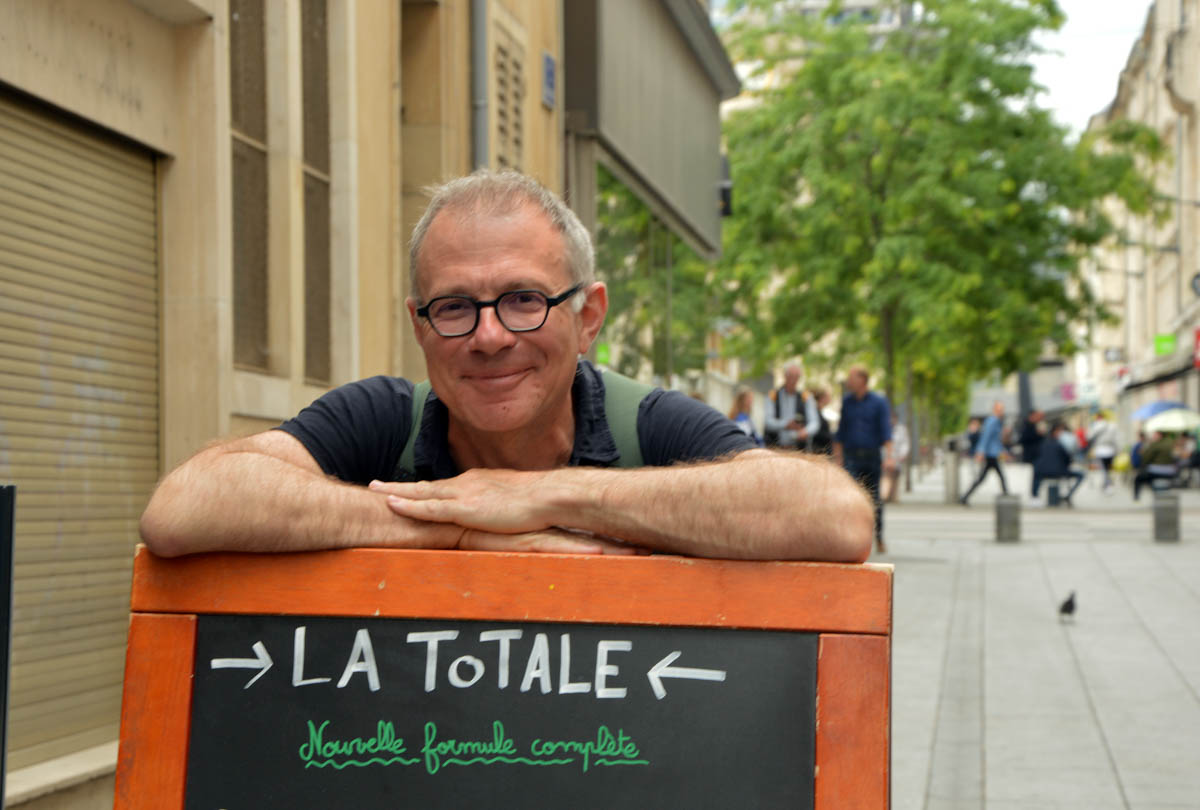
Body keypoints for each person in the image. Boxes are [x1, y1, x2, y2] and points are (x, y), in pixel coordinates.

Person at [138, 170, 873, 562]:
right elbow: (182, 510)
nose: (488, 337)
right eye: (455, 306)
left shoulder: (647, 426)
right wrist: (458, 528)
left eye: (524, 299)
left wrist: (548, 497)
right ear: (420, 326)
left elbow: (835, 518)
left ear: (588, 316)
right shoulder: (380, 421)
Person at [832, 367, 893, 554]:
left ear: (862, 380)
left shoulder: (879, 402)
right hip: (851, 457)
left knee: (875, 499)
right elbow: (841, 432)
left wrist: (889, 457)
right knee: (850, 498)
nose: (848, 381)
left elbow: (886, 432)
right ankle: (852, 538)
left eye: (852, 377)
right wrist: (838, 458)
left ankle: (879, 536)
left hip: (872, 456)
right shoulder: (847, 402)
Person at [960, 400, 1008, 505]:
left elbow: (996, 440)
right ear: (995, 410)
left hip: (993, 453)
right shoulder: (992, 421)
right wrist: (980, 451)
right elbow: (985, 437)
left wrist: (1002, 451)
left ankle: (965, 497)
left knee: (985, 477)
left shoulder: (997, 421)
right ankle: (1006, 496)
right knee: (992, 477)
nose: (1002, 411)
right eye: (1000, 409)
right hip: (990, 454)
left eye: (1002, 409)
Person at [763, 364, 819, 450]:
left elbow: (814, 423)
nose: (793, 380)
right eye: (790, 376)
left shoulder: (806, 397)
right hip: (775, 449)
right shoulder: (773, 395)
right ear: (785, 376)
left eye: (796, 377)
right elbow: (768, 422)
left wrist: (805, 432)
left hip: (799, 449)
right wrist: (786, 425)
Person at [1031, 422, 1084, 506]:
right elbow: (1067, 459)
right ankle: (1068, 495)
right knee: (1081, 475)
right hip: (1059, 471)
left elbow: (1036, 456)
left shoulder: (1043, 443)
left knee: (1036, 474)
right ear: (1055, 432)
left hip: (1042, 472)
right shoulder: (1060, 444)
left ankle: (1035, 496)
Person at [1132, 430, 1178, 500]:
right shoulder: (1171, 443)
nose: (1153, 436)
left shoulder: (1155, 444)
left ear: (1160, 435)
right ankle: (1159, 491)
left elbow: (1146, 459)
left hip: (1156, 472)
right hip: (1170, 472)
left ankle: (1136, 496)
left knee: (1138, 478)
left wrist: (1143, 452)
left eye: (1154, 435)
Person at [1086, 410, 1120, 491]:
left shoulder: (1095, 426)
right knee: (1109, 467)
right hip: (1110, 450)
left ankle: (1107, 483)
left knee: (1104, 468)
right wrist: (1118, 449)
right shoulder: (1112, 425)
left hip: (1100, 450)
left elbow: (1088, 437)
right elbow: (1116, 439)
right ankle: (1108, 483)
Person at [882, 412, 909, 504]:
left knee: (896, 477)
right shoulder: (884, 428)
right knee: (886, 476)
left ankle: (894, 497)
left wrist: (902, 455)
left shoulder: (902, 429)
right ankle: (886, 496)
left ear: (896, 419)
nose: (891, 420)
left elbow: (905, 443)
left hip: (897, 457)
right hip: (886, 457)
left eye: (893, 418)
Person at [808, 387, 834, 455]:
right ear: (822, 397)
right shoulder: (815, 412)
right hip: (818, 450)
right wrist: (832, 436)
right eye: (828, 396)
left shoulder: (818, 411)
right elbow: (817, 432)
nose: (830, 399)